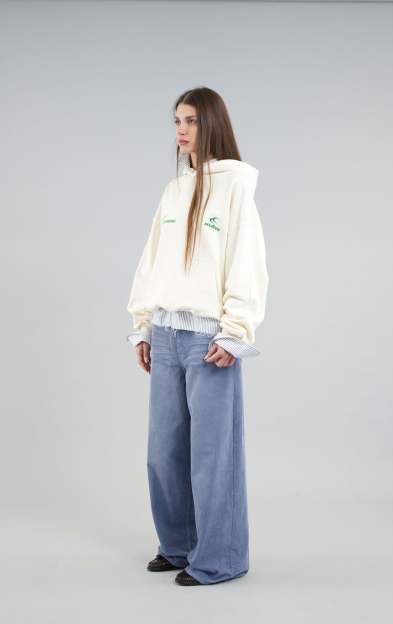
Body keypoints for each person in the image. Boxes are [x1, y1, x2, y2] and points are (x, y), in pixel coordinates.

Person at [126, 86, 269, 586]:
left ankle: (220, 557)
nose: (182, 130)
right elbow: (152, 261)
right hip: (166, 333)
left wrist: (235, 331)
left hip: (208, 339)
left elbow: (246, 261)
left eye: (191, 120)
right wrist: (143, 324)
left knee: (212, 454)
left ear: (212, 124)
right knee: (163, 452)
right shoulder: (173, 190)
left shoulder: (235, 187)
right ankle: (178, 545)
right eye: (177, 121)